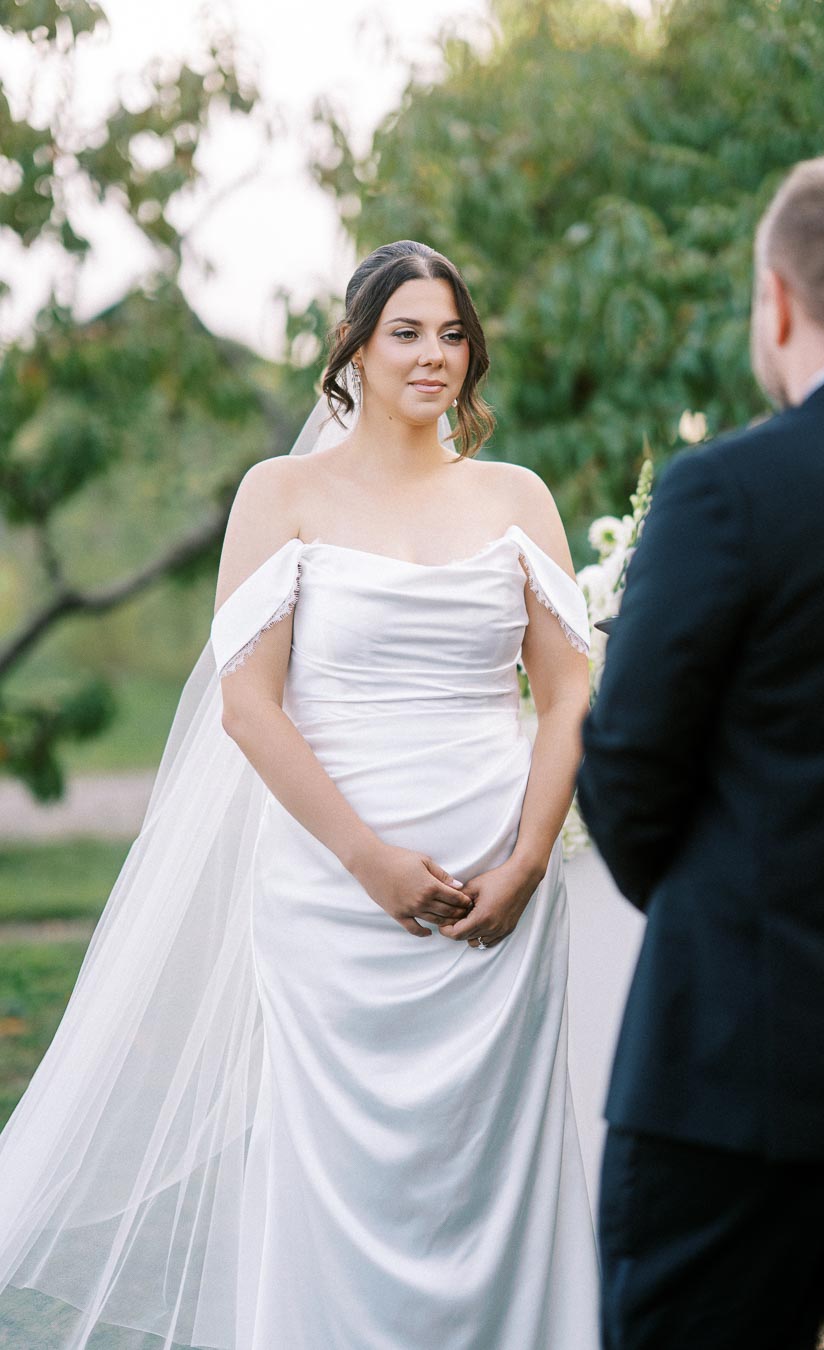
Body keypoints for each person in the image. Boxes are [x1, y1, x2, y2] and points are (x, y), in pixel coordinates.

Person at [0, 240, 600, 1348]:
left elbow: (567, 696)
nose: (435, 356)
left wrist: (525, 860)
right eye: (407, 332)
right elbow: (250, 706)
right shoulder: (280, 495)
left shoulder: (516, 496)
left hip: (499, 886)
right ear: (355, 350)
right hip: (333, 890)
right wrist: (366, 859)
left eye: (454, 333)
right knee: (339, 1167)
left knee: (494, 1163)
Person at [577, 148, 824, 1349]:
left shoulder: (727, 491)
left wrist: (735, 914)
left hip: (739, 1074)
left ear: (778, 299)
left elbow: (628, 776)